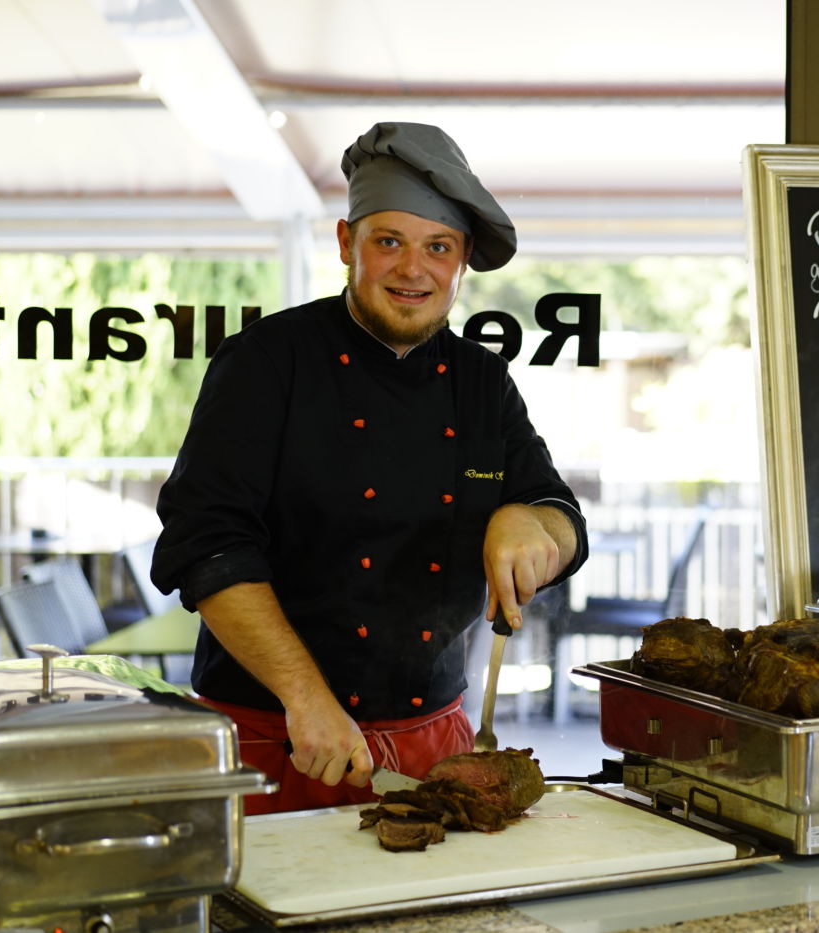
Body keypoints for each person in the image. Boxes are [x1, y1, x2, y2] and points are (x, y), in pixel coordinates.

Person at [151, 122, 588, 815]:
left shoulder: (482, 382)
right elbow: (206, 544)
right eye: (389, 241)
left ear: (462, 260)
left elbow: (563, 521)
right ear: (347, 243)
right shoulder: (265, 363)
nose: (413, 270)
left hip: (433, 747)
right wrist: (304, 696)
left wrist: (528, 520)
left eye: (437, 247)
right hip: (276, 739)